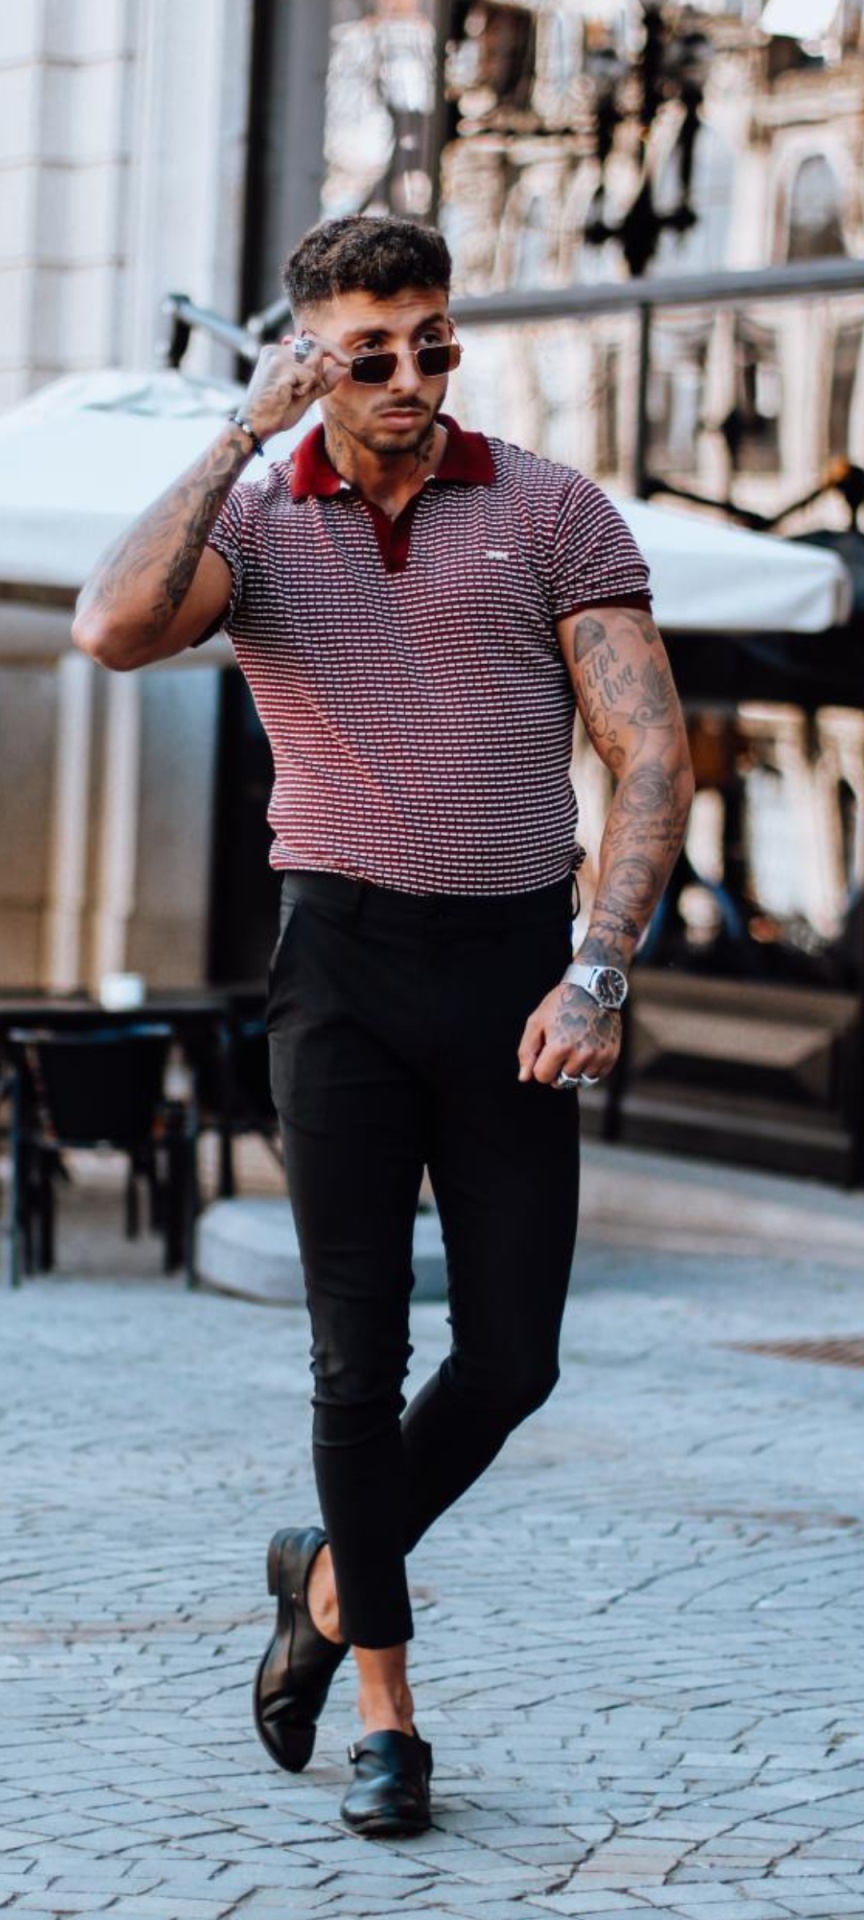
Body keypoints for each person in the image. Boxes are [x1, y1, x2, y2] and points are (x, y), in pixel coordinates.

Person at [73, 214, 694, 1839]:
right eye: (373, 351)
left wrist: (599, 967)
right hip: (339, 969)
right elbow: (112, 628)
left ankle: (329, 1584)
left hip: (516, 975)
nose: (412, 375)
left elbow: (651, 754)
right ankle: (390, 1718)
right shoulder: (261, 523)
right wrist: (242, 433)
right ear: (313, 356)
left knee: (514, 1358)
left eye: (433, 341)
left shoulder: (549, 509)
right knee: (359, 1360)